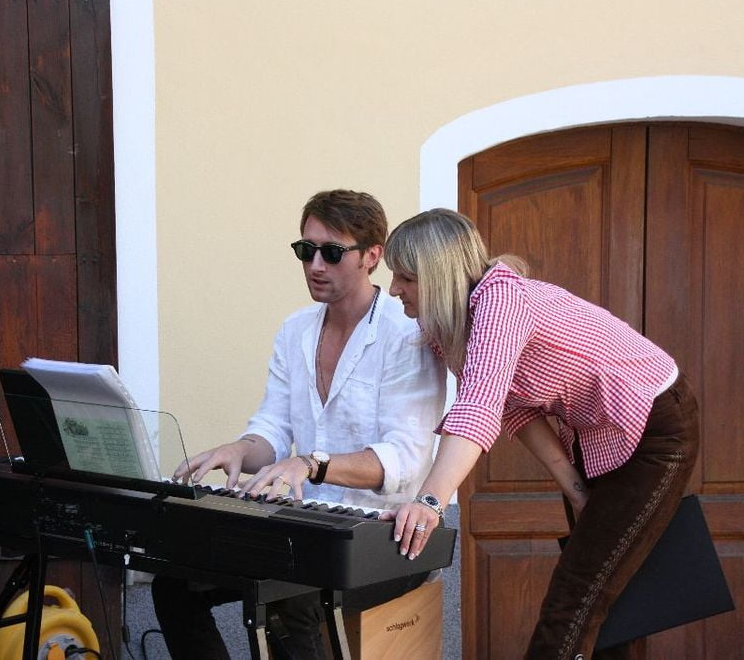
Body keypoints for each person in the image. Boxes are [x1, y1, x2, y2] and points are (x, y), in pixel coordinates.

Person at [382, 208, 699, 660]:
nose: (394, 289)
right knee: (604, 593)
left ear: (440, 276)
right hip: (595, 436)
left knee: (578, 591)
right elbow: (516, 409)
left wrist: (430, 502)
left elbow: (479, 406)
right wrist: (575, 489)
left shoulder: (501, 301)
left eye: (406, 277)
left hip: (654, 424)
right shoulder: (446, 326)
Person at [151, 190, 446, 659]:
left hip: (387, 535)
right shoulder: (296, 330)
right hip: (306, 527)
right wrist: (239, 449)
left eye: (332, 252)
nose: (315, 265)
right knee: (174, 584)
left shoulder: (408, 332)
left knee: (288, 597)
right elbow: (271, 431)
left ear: (372, 256)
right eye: (306, 251)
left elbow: (405, 461)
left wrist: (312, 464)